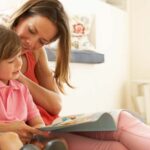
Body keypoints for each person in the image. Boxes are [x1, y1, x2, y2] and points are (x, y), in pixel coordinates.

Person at [7, 0, 150, 150]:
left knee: (122, 120)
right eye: (31, 30)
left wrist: (20, 78)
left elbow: (55, 105)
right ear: (21, 18)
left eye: (42, 41)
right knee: (115, 147)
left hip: (54, 126)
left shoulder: (35, 53)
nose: (31, 42)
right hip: (36, 136)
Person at [0, 25, 68, 150]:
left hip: (24, 143)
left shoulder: (22, 89)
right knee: (9, 139)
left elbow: (36, 121)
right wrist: (10, 129)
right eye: (11, 61)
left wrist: (37, 135)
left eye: (19, 56)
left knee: (54, 142)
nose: (19, 63)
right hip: (6, 141)